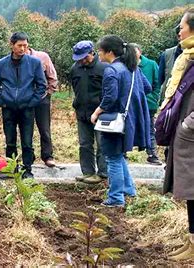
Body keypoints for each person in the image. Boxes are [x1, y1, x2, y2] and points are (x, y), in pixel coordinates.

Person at [90, 35, 152, 207]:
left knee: (112, 158)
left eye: (100, 51)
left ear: (109, 52)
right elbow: (147, 88)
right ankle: (129, 190)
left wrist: (96, 113)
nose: (98, 55)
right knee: (118, 156)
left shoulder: (111, 70)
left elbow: (110, 98)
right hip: (130, 119)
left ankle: (116, 198)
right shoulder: (132, 68)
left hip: (115, 121)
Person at [0, 32, 47, 179]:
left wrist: (32, 102)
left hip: (27, 109)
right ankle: (11, 169)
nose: (23, 49)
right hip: (8, 108)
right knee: (10, 140)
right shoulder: (2, 64)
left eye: (25, 46)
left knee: (27, 141)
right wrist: (1, 101)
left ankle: (27, 169)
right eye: (19, 45)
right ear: (12, 45)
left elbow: (41, 86)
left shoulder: (34, 63)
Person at [162, 8, 194, 261]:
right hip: (187, 137)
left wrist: (187, 125)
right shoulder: (187, 57)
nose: (179, 31)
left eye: (182, 27)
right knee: (191, 193)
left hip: (191, 135)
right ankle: (191, 241)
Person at [70, 40, 108, 184]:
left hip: (100, 113)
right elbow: (76, 89)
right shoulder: (75, 69)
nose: (82, 61)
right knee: (84, 144)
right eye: (79, 58)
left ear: (92, 52)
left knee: (102, 144)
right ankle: (87, 172)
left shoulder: (104, 68)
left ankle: (103, 173)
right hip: (82, 112)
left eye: (85, 57)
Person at [26, 46, 58, 168]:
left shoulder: (42, 57)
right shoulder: (17, 59)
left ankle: (47, 156)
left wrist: (48, 93)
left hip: (42, 98)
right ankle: (29, 156)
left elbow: (52, 77)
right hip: (26, 100)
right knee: (26, 129)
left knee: (44, 128)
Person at [132, 44, 163, 165]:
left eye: (135, 52)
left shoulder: (151, 64)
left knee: (150, 129)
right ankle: (123, 154)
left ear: (140, 52)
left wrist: (153, 98)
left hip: (148, 103)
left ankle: (152, 155)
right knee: (128, 128)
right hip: (132, 104)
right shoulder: (127, 65)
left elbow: (157, 83)